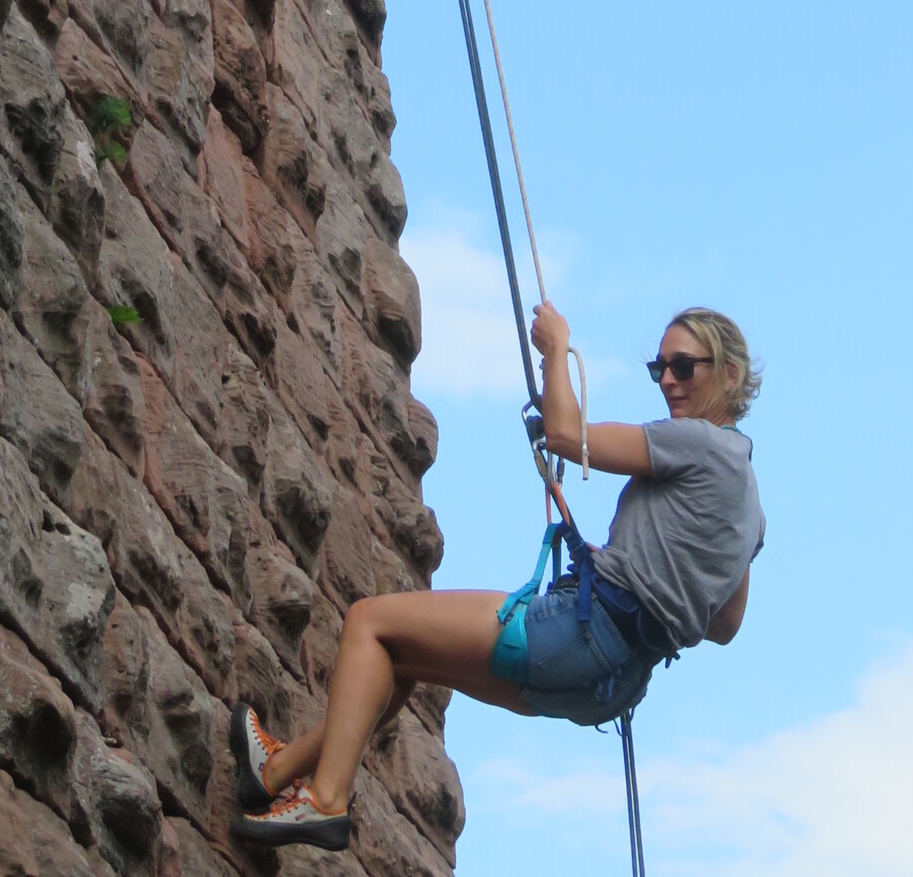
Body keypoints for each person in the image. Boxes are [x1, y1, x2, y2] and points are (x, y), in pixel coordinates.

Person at [229, 304, 766, 850]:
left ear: (730, 375)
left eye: (683, 366)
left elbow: (565, 435)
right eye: (660, 369)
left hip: (579, 635)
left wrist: (555, 347)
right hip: (613, 683)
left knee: (371, 622)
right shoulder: (751, 507)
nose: (668, 380)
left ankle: (326, 801)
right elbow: (724, 624)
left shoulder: (699, 441)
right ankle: (273, 772)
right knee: (402, 658)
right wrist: (646, 576)